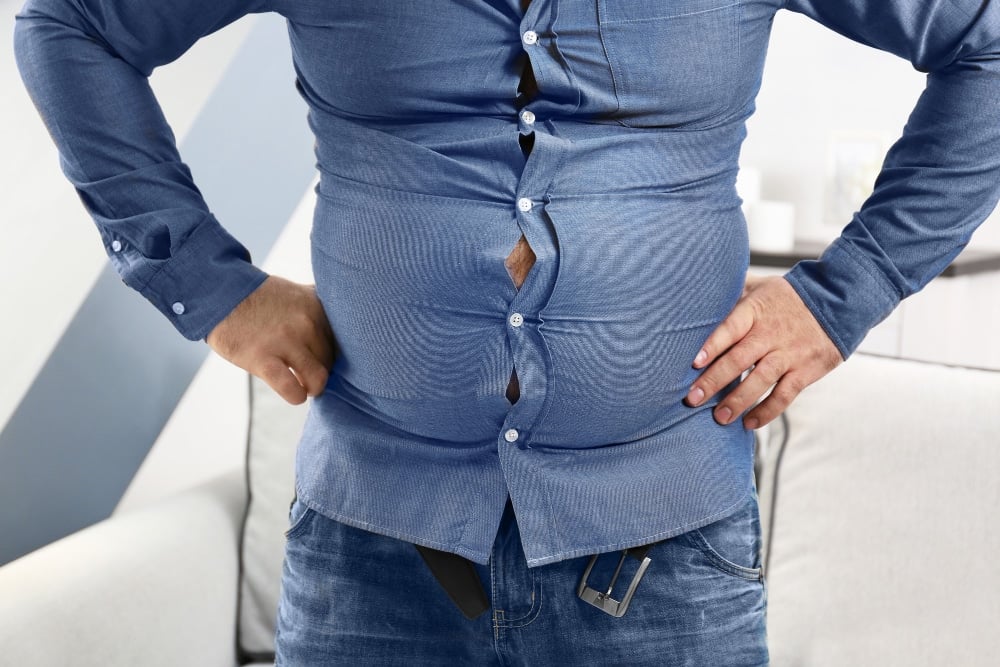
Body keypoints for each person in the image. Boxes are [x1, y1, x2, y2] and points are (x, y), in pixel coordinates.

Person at [13, 0, 1000, 664]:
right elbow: (71, 25)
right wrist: (209, 287)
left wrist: (843, 294)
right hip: (372, 555)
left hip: (666, 560)